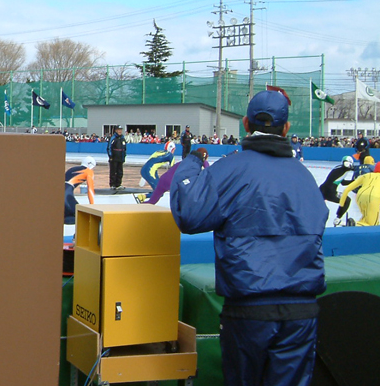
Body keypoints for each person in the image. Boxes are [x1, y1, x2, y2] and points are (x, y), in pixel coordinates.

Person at [170, 90, 327, 386]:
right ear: (286, 128)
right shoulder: (304, 176)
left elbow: (189, 215)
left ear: (245, 123)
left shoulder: (231, 168)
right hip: (301, 311)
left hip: (249, 310)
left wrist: (192, 162)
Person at [142, 147, 209, 204]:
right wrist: (205, 163)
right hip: (175, 183)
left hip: (164, 179)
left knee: (152, 201)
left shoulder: (186, 160)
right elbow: (207, 173)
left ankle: (141, 207)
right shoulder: (196, 166)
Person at [337, 161, 380, 226]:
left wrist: (340, 209)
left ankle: (351, 225)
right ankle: (351, 224)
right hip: (374, 198)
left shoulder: (365, 176)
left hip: (360, 197)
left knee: (365, 220)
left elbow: (346, 190)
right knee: (373, 225)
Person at [320, 156, 354, 223]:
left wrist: (354, 181)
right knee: (347, 200)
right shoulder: (343, 170)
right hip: (330, 192)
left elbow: (343, 182)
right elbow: (349, 168)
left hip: (322, 189)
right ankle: (338, 218)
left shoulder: (338, 168)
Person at [64, 156, 96, 224]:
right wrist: (92, 205)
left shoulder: (72, 169)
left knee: (66, 215)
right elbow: (90, 190)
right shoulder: (89, 172)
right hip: (66, 194)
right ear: (90, 164)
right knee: (80, 215)